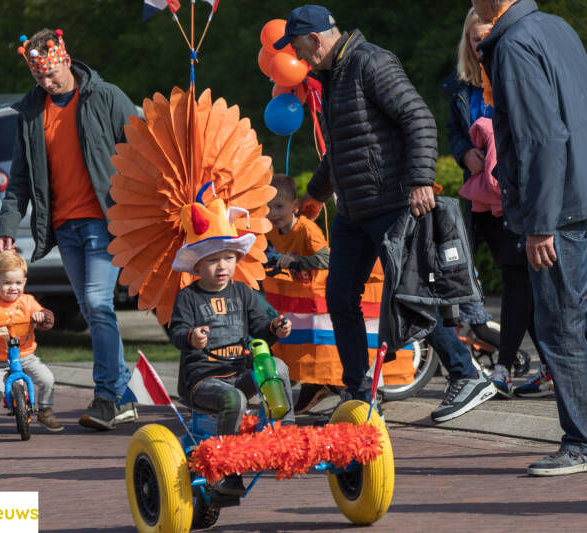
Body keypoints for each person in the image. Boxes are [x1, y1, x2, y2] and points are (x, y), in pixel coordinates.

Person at [274, 5, 496, 422]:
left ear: (317, 40)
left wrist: (418, 181)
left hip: (392, 204)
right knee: (340, 297)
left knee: (408, 298)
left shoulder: (370, 62)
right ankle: (358, 392)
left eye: (300, 48)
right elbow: (344, 150)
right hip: (354, 212)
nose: (299, 58)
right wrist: (316, 192)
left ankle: (467, 375)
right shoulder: (331, 77)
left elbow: (420, 120)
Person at [475, 0, 587, 475]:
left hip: (558, 204)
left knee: (559, 324)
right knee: (572, 310)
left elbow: (538, 137)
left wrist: (539, 222)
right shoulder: (555, 27)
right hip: (579, 192)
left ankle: (583, 443)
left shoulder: (515, 43)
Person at [0, 28, 138, 431]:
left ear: (65, 57)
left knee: (97, 304)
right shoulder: (31, 112)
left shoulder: (105, 96)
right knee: (96, 314)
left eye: (52, 73)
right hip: (66, 228)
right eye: (39, 77)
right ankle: (124, 396)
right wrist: (8, 224)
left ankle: (107, 396)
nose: (47, 82)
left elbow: (145, 145)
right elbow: (20, 177)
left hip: (104, 220)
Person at [442, 7, 551, 399]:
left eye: (487, 35)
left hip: (514, 194)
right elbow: (454, 131)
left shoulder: (512, 71)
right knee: (518, 280)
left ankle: (503, 368)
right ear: (468, 43)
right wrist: (463, 153)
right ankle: (551, 366)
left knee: (516, 278)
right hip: (481, 197)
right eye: (475, 37)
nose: (481, 42)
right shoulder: (459, 86)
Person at [170, 194, 294, 495]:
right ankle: (226, 467)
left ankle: (286, 434)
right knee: (235, 400)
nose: (222, 266)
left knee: (277, 366)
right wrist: (192, 337)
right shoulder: (188, 297)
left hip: (239, 372)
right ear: (198, 265)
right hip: (203, 380)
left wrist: (275, 328)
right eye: (212, 260)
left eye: (227, 258)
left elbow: (260, 329)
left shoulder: (242, 292)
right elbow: (177, 332)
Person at [0, 251, 63, 436]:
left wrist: (41, 317)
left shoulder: (28, 301)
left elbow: (47, 319)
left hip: (26, 356)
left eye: (18, 283)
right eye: (7, 283)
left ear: (24, 282)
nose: (13, 288)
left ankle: (45, 411)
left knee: (47, 379)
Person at [264, 174, 333, 412]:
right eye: (268, 207)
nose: (273, 213)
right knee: (290, 347)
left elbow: (325, 259)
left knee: (318, 351)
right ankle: (309, 385)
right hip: (289, 302)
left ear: (295, 206)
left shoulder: (306, 229)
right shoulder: (270, 231)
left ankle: (337, 387)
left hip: (315, 303)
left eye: (279, 206)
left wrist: (296, 261)